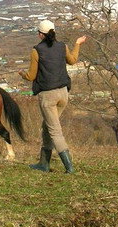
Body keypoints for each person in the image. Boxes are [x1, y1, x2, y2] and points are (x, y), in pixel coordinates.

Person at [18, 19, 87, 173]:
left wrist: (22, 73)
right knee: (47, 126)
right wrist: (77, 44)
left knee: (55, 131)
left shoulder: (36, 50)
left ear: (41, 35)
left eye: (38, 32)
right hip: (63, 93)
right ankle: (44, 164)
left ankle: (69, 168)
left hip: (48, 96)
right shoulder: (63, 46)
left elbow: (31, 76)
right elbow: (73, 60)